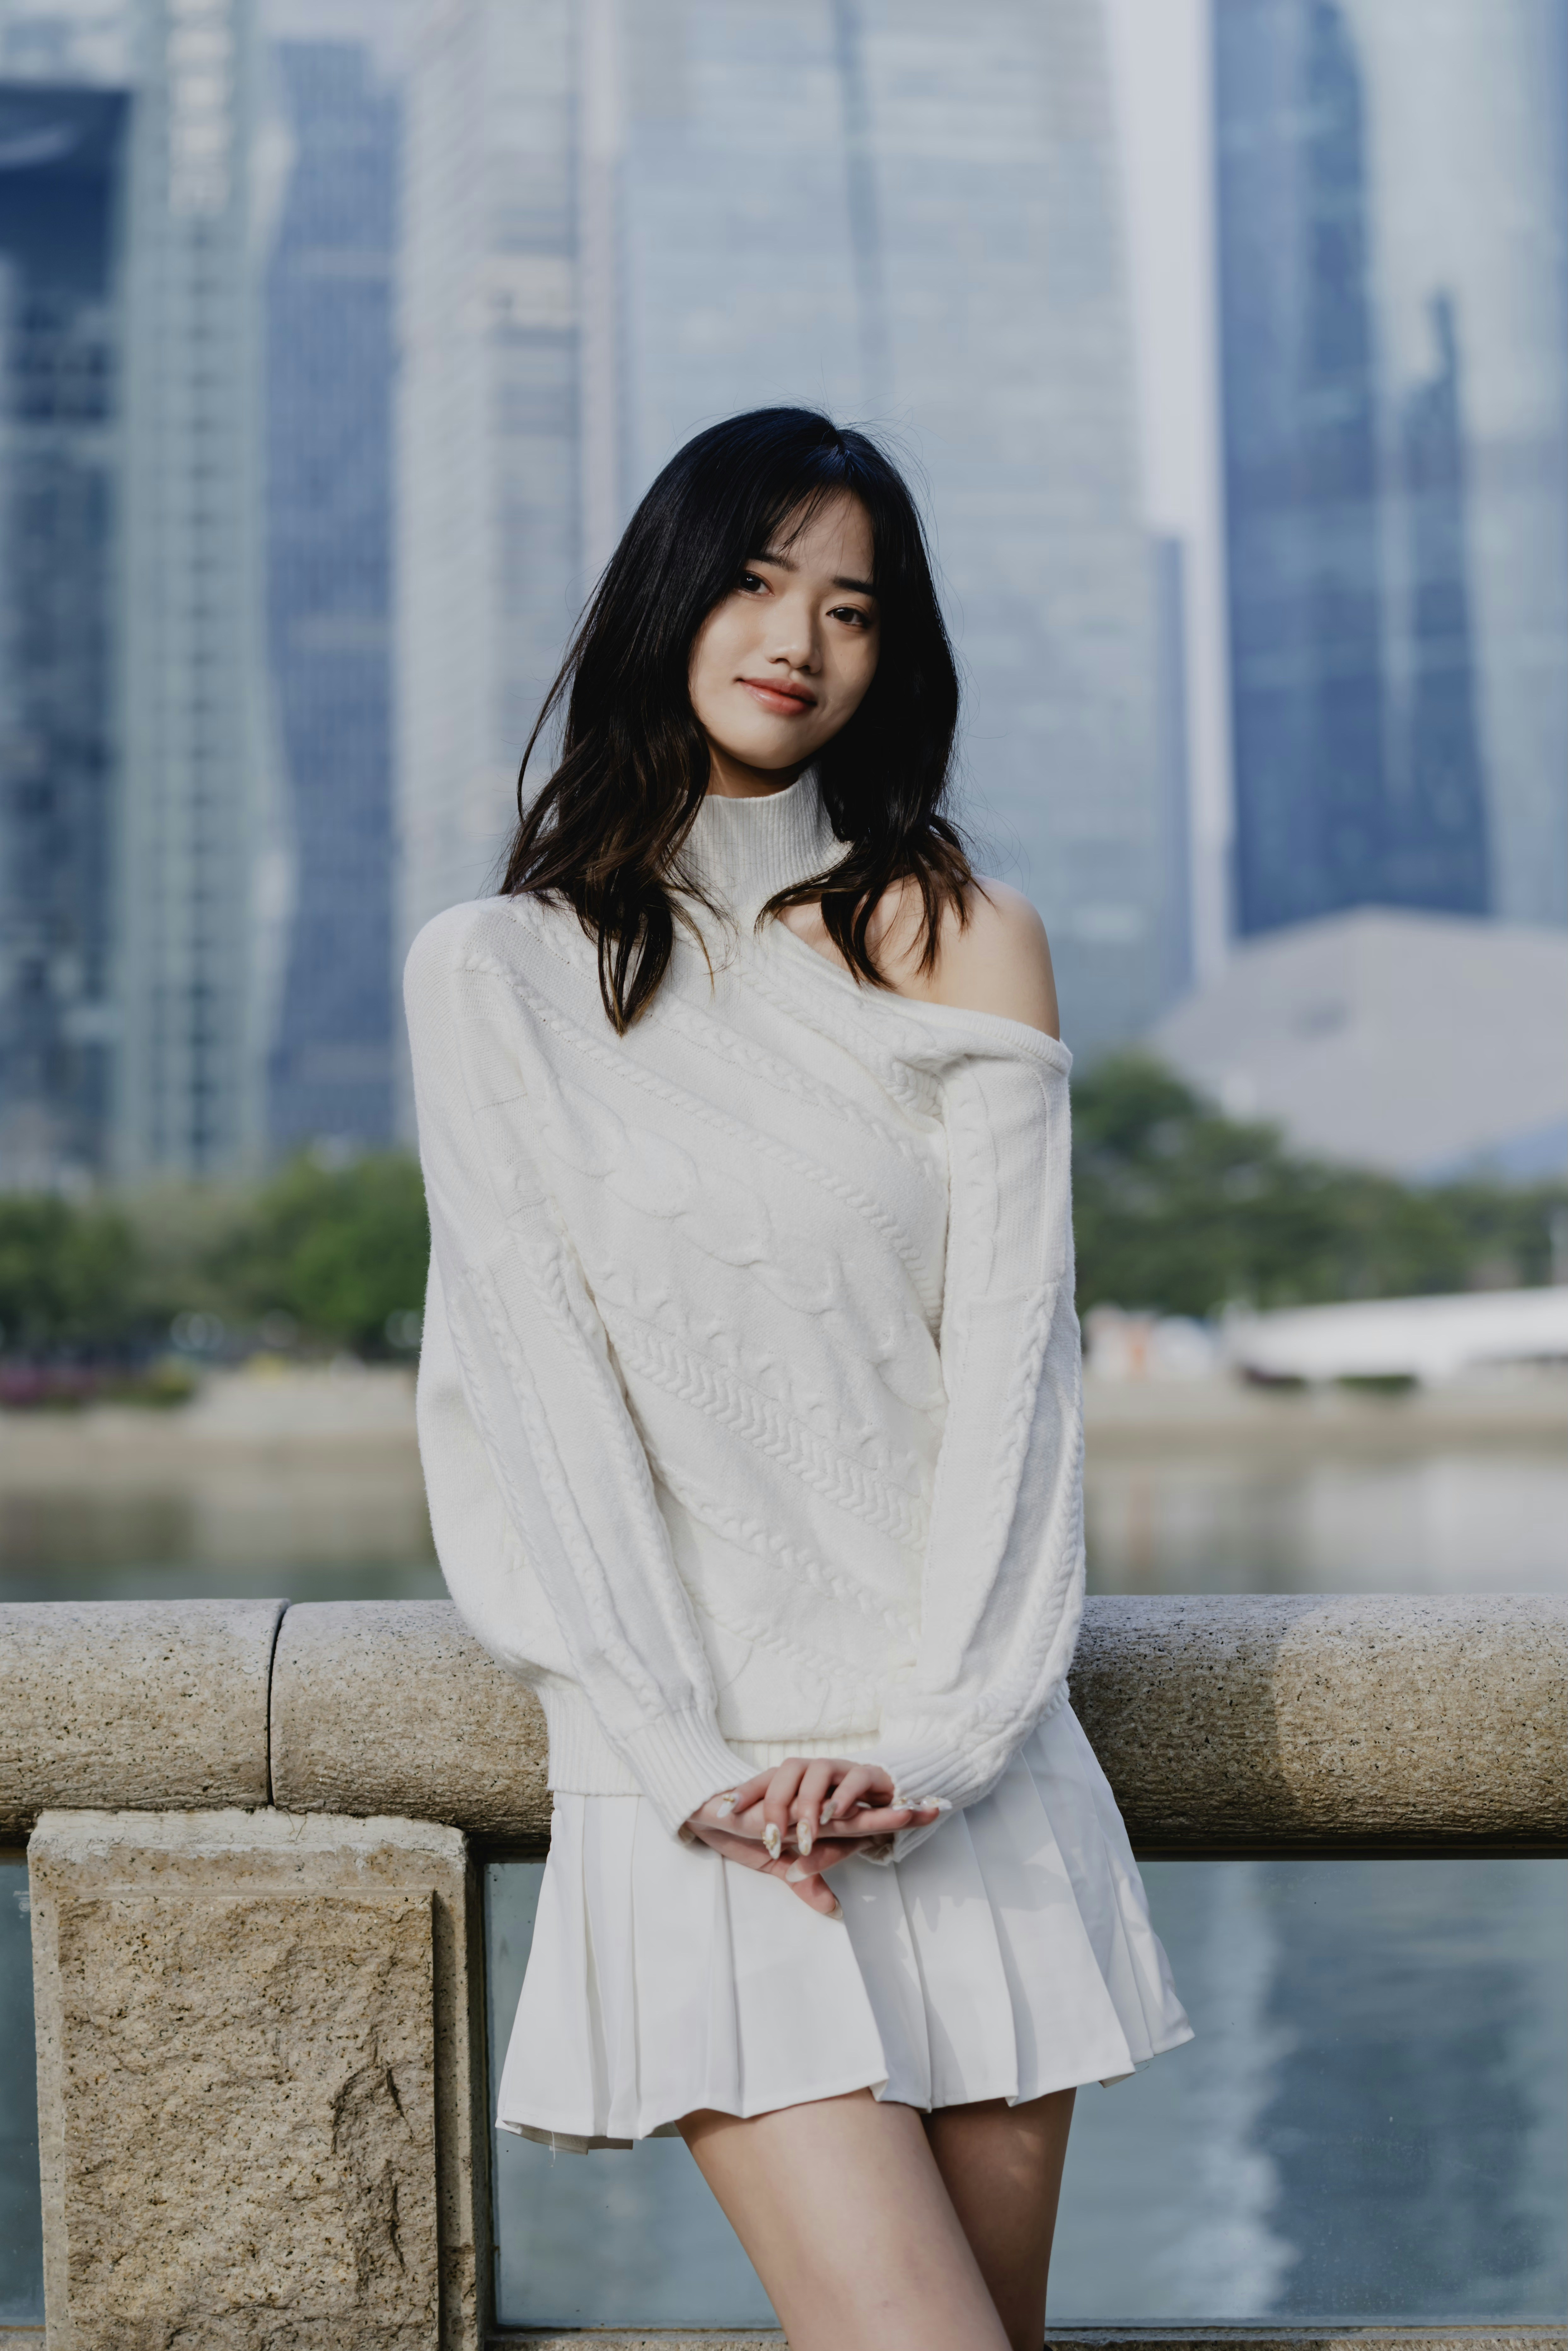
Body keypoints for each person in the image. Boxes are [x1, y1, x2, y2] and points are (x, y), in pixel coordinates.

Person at [405, 407, 1190, 2351]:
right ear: (669, 594)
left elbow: (1018, 1394)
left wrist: (936, 1744)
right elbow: (535, 1420)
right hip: (706, 1803)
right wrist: (697, 1772)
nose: (799, 634)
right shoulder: (495, 974)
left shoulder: (962, 937)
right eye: (760, 579)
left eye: (852, 603)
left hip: (970, 1782)